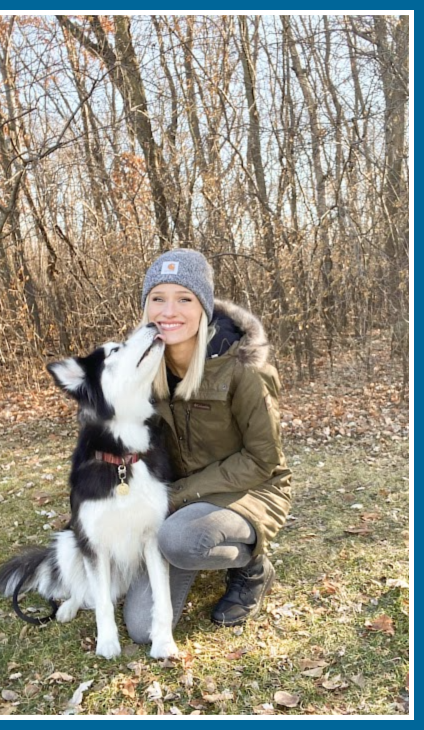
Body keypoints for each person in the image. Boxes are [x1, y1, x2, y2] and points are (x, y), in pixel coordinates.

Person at [123, 249, 292, 640]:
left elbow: (263, 459)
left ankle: (252, 569)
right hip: (179, 498)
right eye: (158, 298)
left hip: (250, 488)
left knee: (180, 540)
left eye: (184, 298)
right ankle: (193, 543)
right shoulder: (140, 365)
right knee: (143, 628)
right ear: (146, 307)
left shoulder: (244, 366)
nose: (169, 311)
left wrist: (177, 496)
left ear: (204, 305)